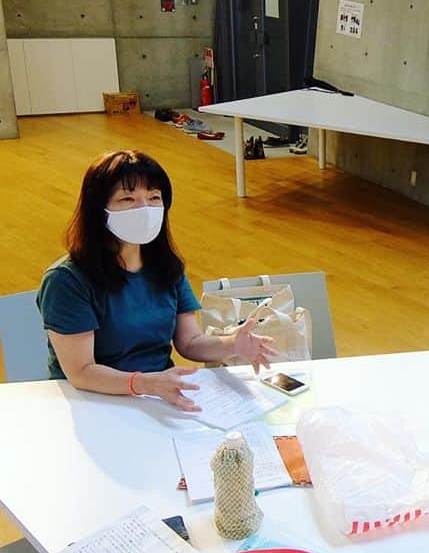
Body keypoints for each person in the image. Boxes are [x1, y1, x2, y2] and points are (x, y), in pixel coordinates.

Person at [37, 150, 276, 411]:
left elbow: (190, 342)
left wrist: (232, 344)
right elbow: (81, 372)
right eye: (128, 199)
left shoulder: (166, 266)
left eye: (153, 198)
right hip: (91, 401)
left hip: (157, 396)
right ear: (99, 210)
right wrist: (144, 384)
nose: (145, 209)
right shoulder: (67, 281)